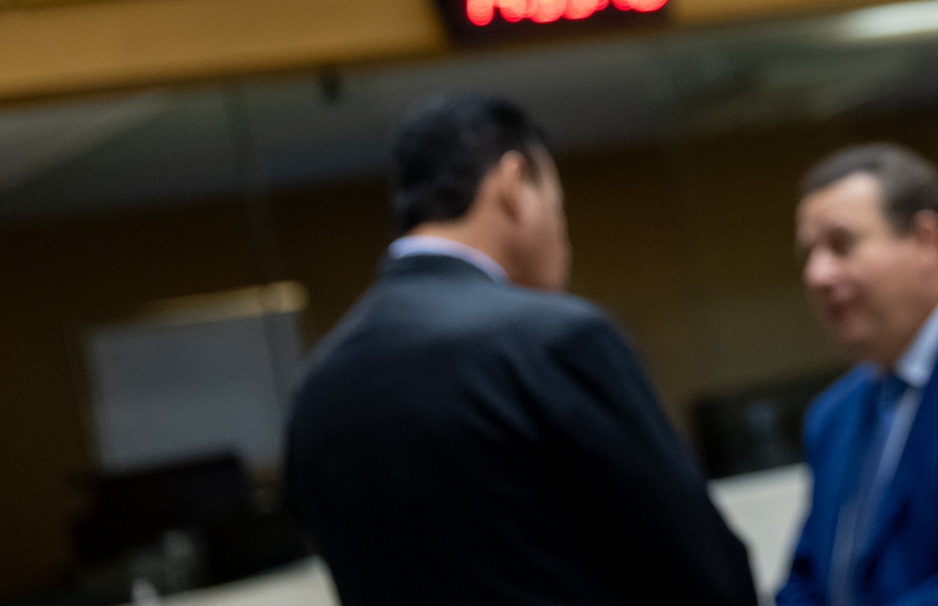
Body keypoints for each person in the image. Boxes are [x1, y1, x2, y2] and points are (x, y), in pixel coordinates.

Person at [285, 94, 755, 606]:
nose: (563, 238)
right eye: (558, 208)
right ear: (513, 186)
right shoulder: (556, 339)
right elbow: (705, 571)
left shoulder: (317, 389)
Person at [780, 145, 938, 606]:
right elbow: (808, 574)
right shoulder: (831, 417)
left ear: (926, 239)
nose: (817, 274)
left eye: (841, 244)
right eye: (808, 255)